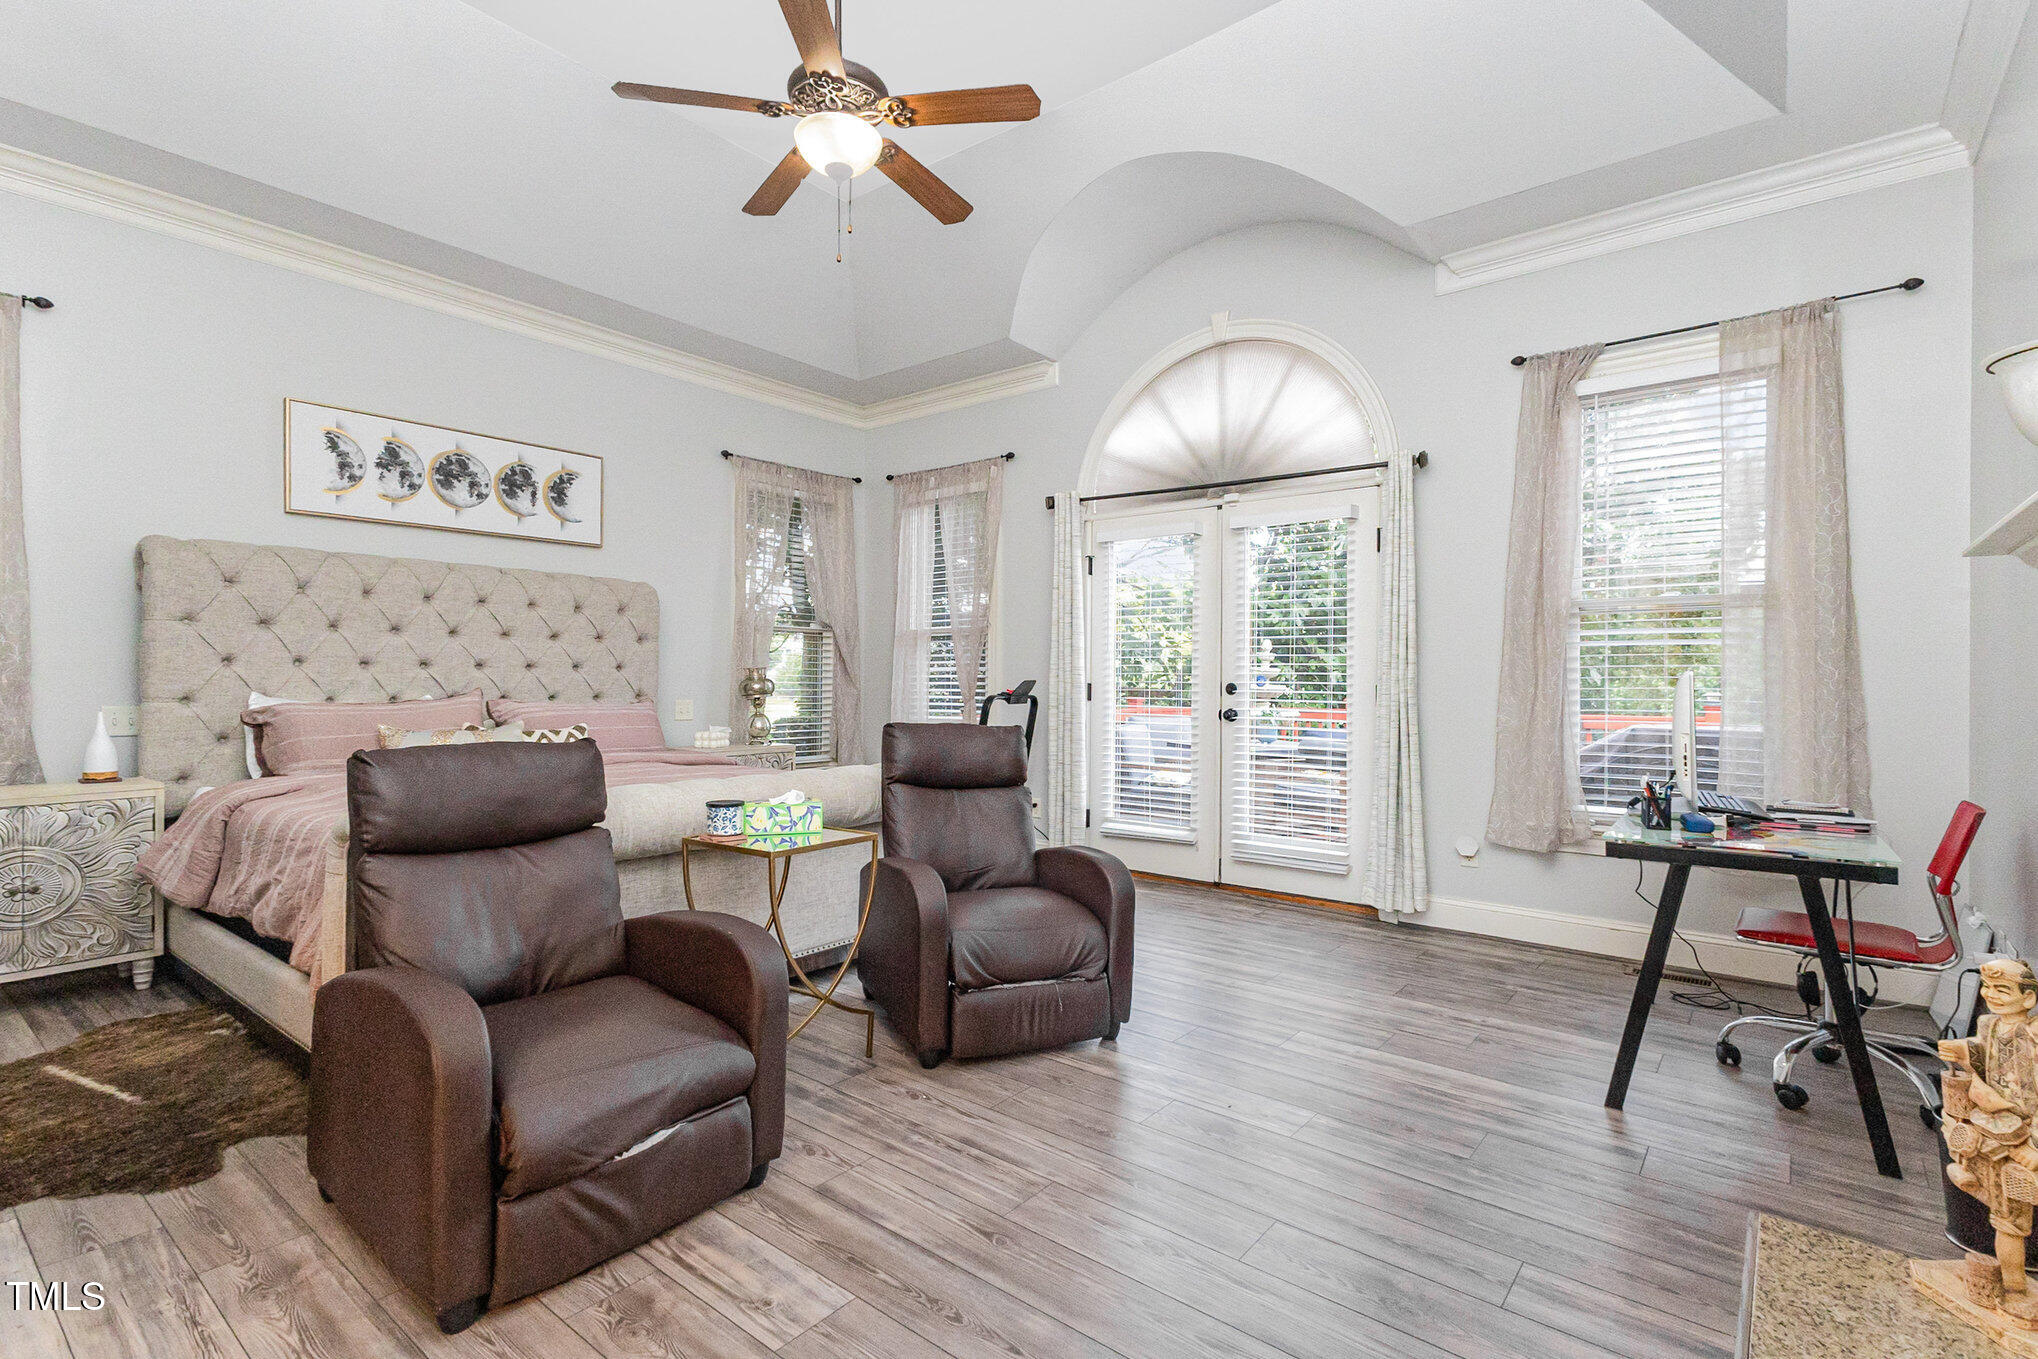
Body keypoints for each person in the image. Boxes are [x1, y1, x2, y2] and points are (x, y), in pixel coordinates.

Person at [1940, 956, 2038, 1317]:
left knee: (2011, 1223)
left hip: (2022, 1134)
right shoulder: (1990, 1025)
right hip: (1990, 1126)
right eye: (1987, 987)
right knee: (2002, 1214)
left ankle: (2015, 1288)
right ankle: (1966, 1172)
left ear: (2028, 998)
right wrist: (1964, 1051)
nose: (1991, 994)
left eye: (2002, 989)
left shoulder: (2034, 1036)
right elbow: (1986, 1055)